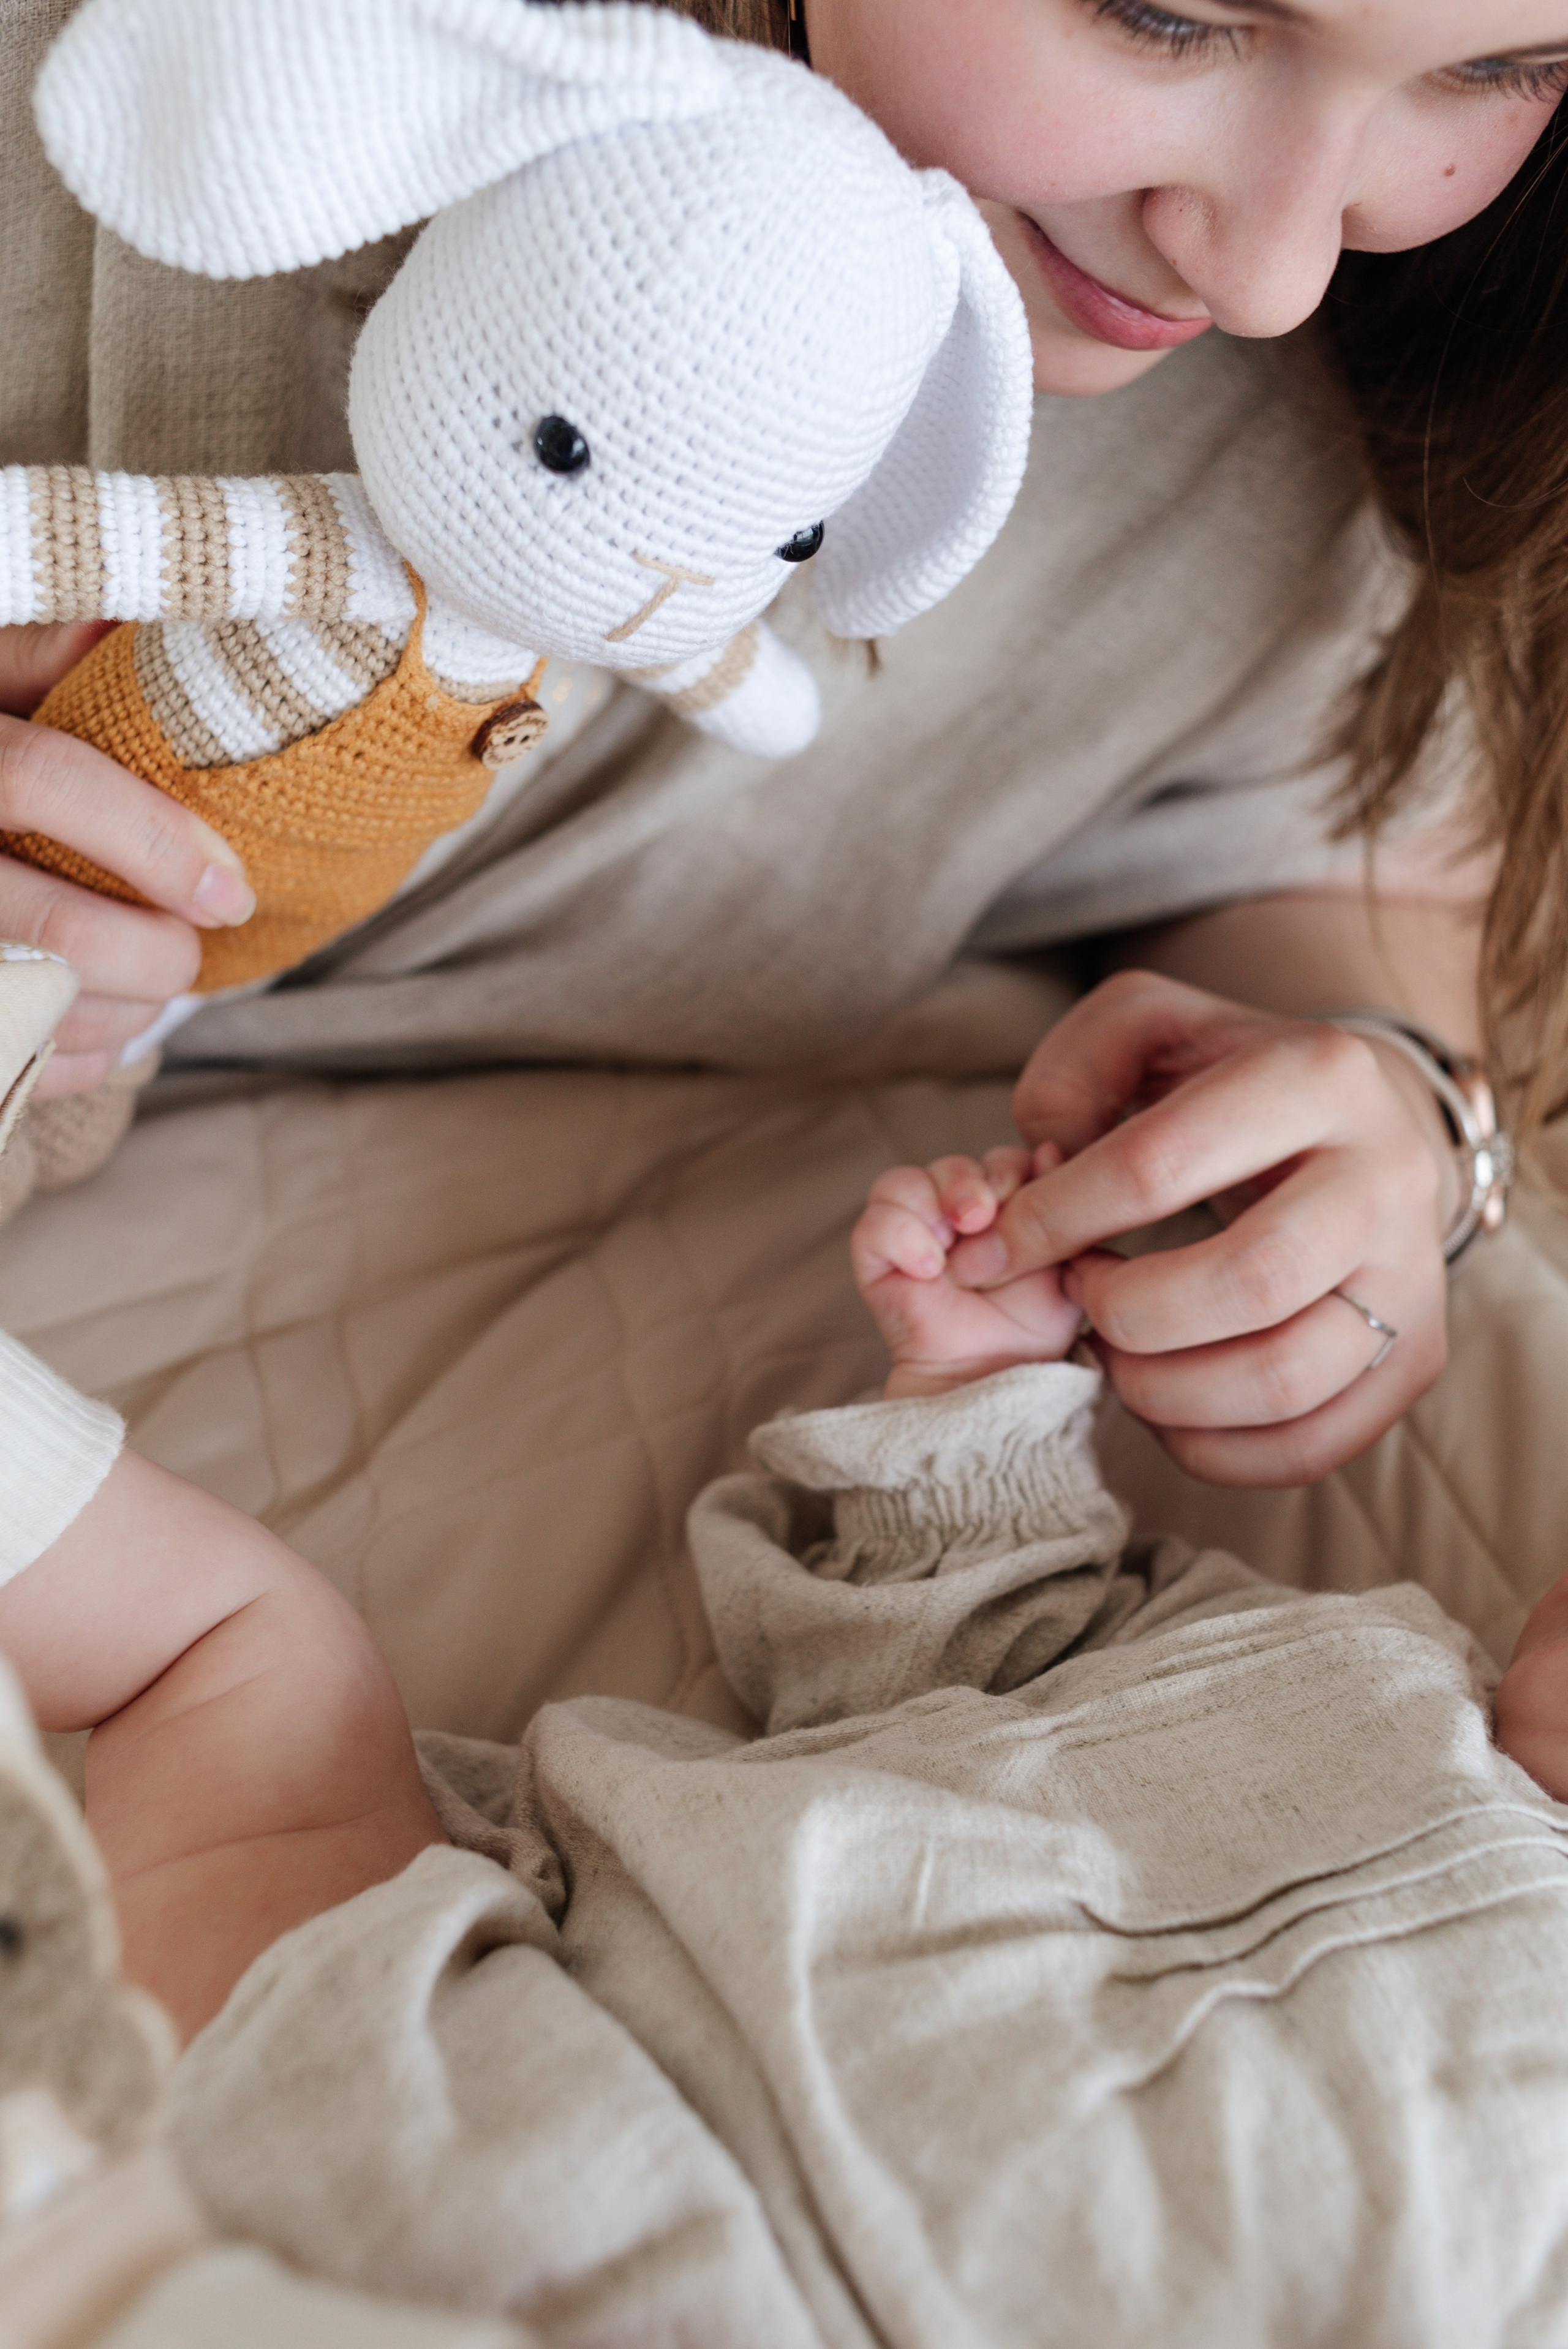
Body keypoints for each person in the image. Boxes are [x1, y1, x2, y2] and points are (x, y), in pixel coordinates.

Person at [4, 0, 1568, 1710]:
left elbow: (1339, 834)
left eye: (1499, 70)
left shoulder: (1359, 396)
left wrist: (1399, 1106)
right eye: (1164, 13)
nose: (1274, 268)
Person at [4, 1080, 1568, 2339]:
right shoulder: (1354, 1664)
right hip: (481, 2060)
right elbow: (970, 1654)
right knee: (242, 1652)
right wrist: (973, 1402)